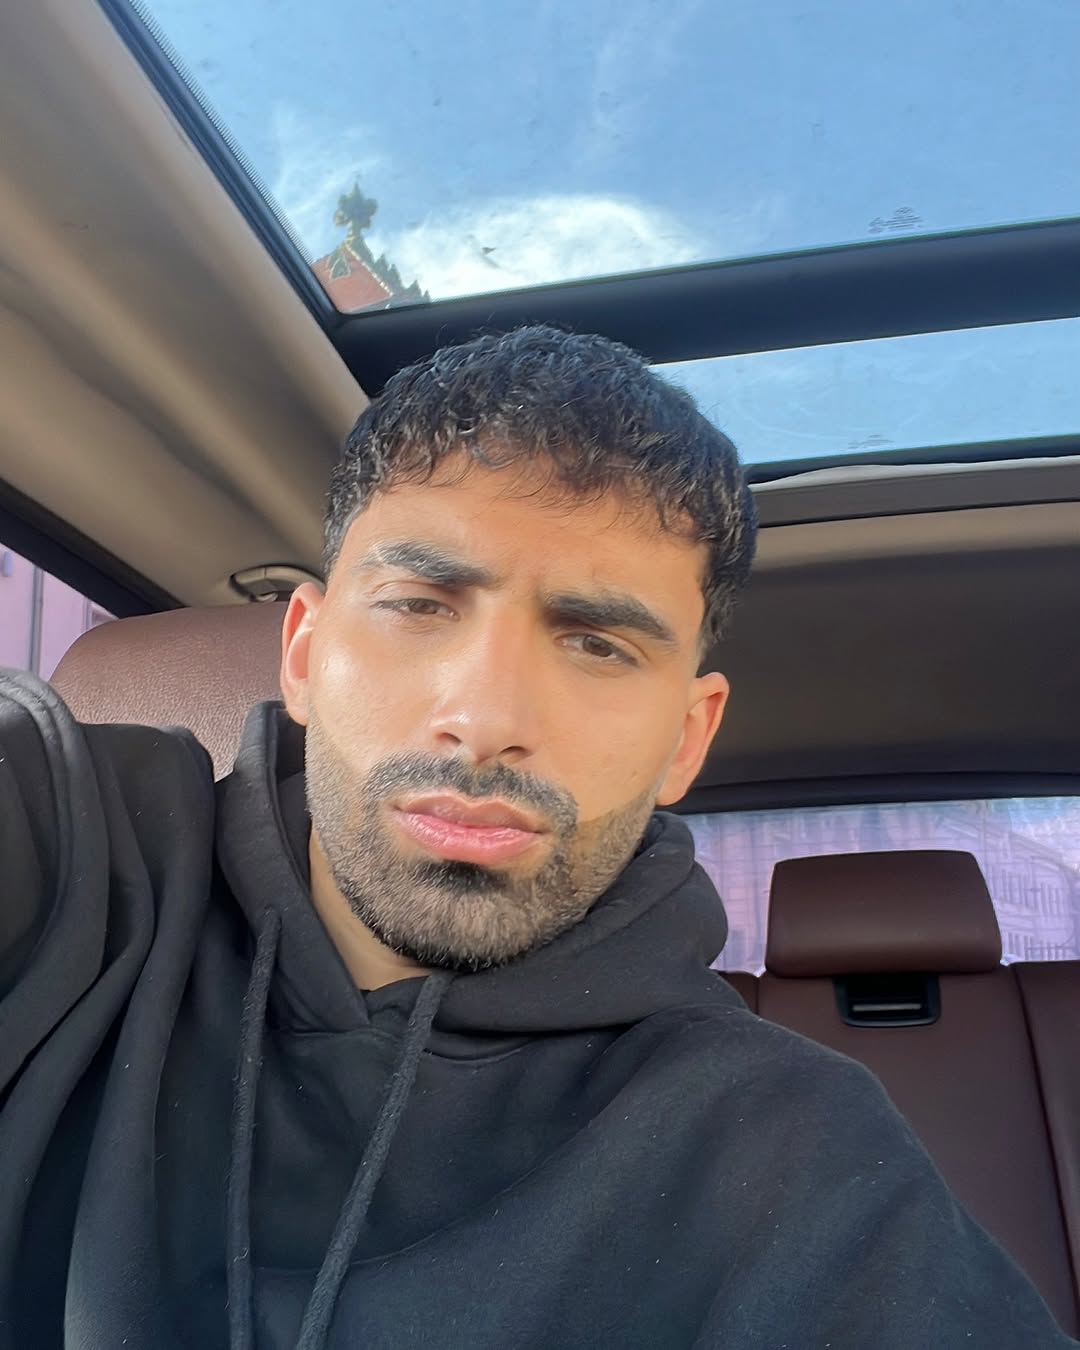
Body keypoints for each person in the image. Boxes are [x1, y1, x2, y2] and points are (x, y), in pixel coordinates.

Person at [0, 326, 1074, 1350]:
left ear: (686, 740)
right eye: (420, 605)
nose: (486, 719)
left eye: (598, 644)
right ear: (304, 656)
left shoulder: (793, 1156)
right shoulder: (75, 855)